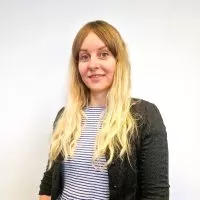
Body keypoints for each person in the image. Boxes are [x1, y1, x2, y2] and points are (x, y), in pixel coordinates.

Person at [39, 20, 169, 200]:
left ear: (118, 61)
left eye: (103, 54)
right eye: (84, 57)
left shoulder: (144, 115)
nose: (92, 64)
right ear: (77, 66)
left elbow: (156, 194)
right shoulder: (65, 116)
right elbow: (48, 180)